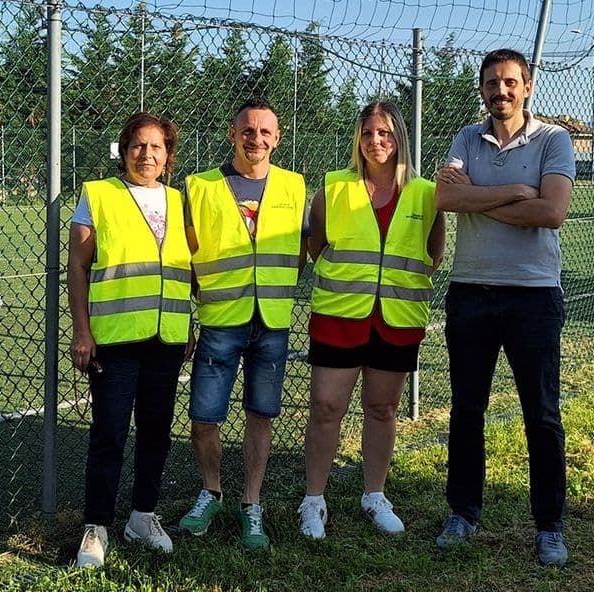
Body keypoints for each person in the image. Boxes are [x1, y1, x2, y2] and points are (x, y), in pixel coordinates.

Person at [433, 49, 575, 566]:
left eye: (510, 82)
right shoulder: (467, 138)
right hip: (470, 291)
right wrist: (516, 191)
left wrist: (481, 194)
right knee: (467, 409)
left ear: (527, 86)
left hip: (533, 295)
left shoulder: (554, 139)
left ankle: (550, 525)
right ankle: (463, 512)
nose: (501, 91)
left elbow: (552, 211)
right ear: (482, 89)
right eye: (492, 83)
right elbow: (446, 200)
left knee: (542, 413)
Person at [298, 101, 445, 539]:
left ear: (399, 136)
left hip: (396, 320)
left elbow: (434, 254)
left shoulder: (426, 193)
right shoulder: (333, 189)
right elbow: (316, 247)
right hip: (339, 317)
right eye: (367, 133)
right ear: (357, 139)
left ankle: (375, 495)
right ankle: (313, 500)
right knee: (326, 408)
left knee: (382, 409)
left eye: (384, 133)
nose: (375, 141)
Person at [178, 98, 307, 549]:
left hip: (272, 320)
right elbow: (184, 256)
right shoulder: (200, 186)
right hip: (220, 319)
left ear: (277, 138)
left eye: (265, 132)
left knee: (261, 414)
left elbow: (302, 250)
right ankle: (211, 492)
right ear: (232, 134)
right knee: (203, 417)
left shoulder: (294, 185)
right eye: (248, 130)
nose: (256, 139)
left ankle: (252, 503)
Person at [68, 112, 194, 568]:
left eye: (156, 147)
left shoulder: (179, 201)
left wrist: (187, 324)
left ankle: (143, 516)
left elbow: (184, 269)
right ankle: (96, 526)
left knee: (157, 433)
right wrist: (82, 331)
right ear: (124, 150)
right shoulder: (99, 195)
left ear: (168, 155)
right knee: (110, 434)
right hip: (116, 339)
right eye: (138, 145)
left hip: (167, 338)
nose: (147, 154)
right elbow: (78, 266)